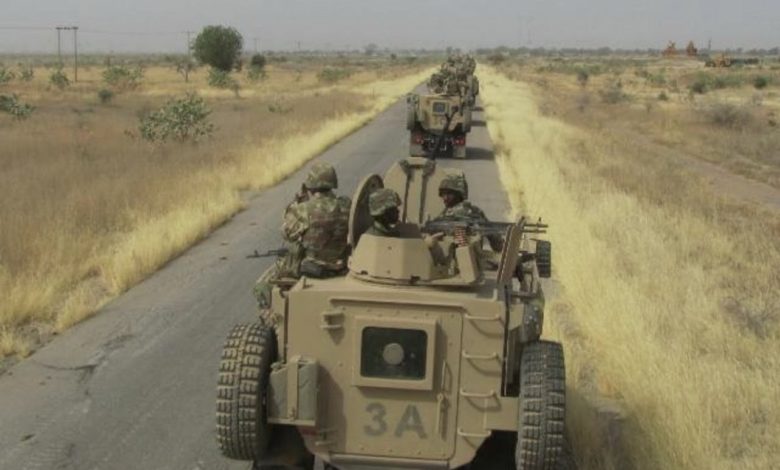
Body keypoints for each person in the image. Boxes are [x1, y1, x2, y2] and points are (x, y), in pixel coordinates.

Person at [253, 162, 350, 311]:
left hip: (311, 267)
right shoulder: (347, 205)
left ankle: (270, 316)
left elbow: (287, 234)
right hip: (341, 265)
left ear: (309, 186)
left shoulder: (303, 209)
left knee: (262, 285)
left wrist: (296, 203)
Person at [434, 173, 503, 251]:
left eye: (449, 194)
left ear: (459, 194)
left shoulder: (470, 212)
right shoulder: (445, 213)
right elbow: (496, 240)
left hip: (466, 257)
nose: (445, 198)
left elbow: (494, 238)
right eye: (443, 194)